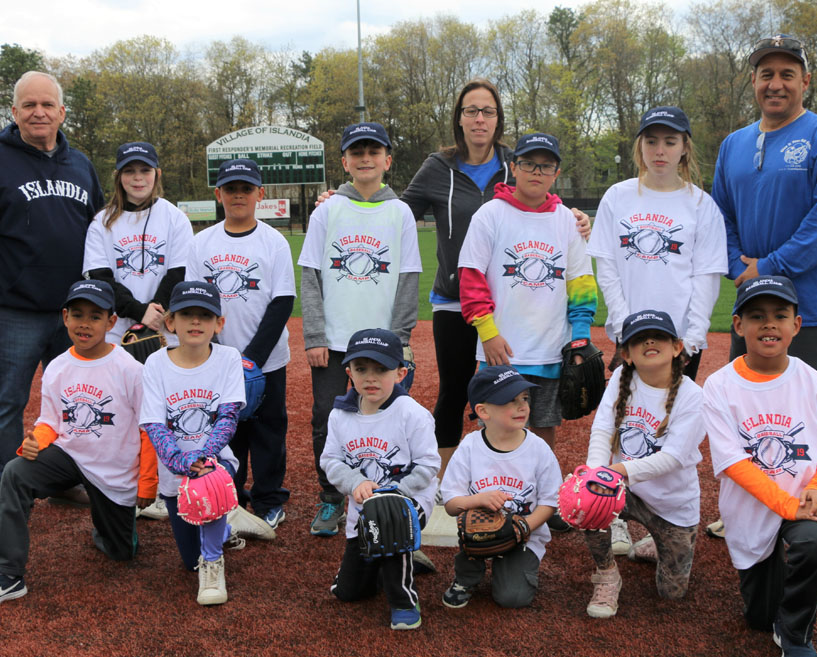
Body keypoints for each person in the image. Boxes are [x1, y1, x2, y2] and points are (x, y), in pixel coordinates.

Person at [398, 79, 591, 477]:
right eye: (471, 110)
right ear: (460, 118)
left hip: (510, 303)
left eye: (488, 111)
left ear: (499, 119)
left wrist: (572, 216)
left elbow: (540, 196)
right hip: (457, 297)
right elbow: (398, 213)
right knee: (454, 390)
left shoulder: (512, 161)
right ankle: (447, 479)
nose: (480, 118)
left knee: (517, 395)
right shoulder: (439, 166)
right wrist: (350, 200)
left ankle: (523, 481)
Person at [710, 34, 817, 546]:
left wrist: (766, 267)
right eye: (766, 74)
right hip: (751, 308)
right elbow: (720, 216)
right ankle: (751, 515)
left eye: (787, 74)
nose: (776, 84)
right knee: (751, 418)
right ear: (753, 81)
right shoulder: (732, 145)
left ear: (805, 81)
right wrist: (736, 266)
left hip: (814, 310)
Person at [0, 71, 105, 533]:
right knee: (6, 402)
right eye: (29, 105)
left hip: (74, 311)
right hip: (13, 309)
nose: (39, 112)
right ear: (14, 112)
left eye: (47, 105)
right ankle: (1, 493)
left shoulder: (80, 165)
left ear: (61, 112)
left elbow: (100, 229)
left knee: (75, 401)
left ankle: (61, 480)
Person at [0, 280, 156, 612]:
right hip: (70, 456)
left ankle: (108, 522)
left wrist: (148, 481)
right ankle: (6, 574)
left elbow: (148, 428)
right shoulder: (58, 367)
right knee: (15, 472)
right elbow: (51, 421)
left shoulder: (131, 370)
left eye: (95, 316)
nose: (84, 323)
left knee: (121, 553)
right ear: (64, 317)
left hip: (114, 473)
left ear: (111, 322)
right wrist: (35, 442)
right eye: (77, 314)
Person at [702, 275, 817, 657]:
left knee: (816, 537)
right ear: (738, 326)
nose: (769, 324)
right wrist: (788, 506)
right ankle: (809, 572)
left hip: (801, 507)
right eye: (756, 316)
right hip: (755, 511)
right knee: (756, 619)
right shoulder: (718, 387)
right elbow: (733, 464)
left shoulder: (816, 385)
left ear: (795, 326)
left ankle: (797, 630)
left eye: (780, 315)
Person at [298, 122, 421, 537]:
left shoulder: (399, 211)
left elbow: (407, 278)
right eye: (357, 151)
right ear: (346, 161)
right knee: (325, 418)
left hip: (384, 345)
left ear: (387, 160)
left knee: (387, 421)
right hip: (333, 342)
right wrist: (314, 336)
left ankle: (388, 494)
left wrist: (401, 339)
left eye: (374, 151)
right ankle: (333, 498)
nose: (366, 158)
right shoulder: (328, 209)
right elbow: (311, 275)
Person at [457, 132, 597, 452]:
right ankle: (493, 492)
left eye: (546, 166)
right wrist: (488, 333)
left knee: (544, 427)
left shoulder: (567, 221)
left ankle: (540, 494)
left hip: (550, 349)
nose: (537, 172)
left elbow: (581, 284)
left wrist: (580, 335)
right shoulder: (490, 215)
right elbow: (471, 277)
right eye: (529, 164)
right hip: (500, 350)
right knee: (495, 429)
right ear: (513, 167)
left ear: (556, 174)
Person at [83, 141, 193, 521]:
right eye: (130, 171)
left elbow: (178, 273)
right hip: (119, 329)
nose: (137, 178)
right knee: (122, 409)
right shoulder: (103, 221)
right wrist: (138, 313)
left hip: (166, 329)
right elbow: (100, 277)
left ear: (156, 174)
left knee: (167, 407)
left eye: (144, 170)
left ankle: (168, 486)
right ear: (119, 177)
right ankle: (125, 485)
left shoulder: (174, 218)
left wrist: (155, 313)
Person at [187, 159, 295, 534]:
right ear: (218, 195)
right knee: (224, 434)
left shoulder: (274, 241)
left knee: (268, 431)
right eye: (230, 189)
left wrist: (251, 360)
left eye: (246, 189)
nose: (238, 195)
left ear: (260, 195)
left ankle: (268, 500)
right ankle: (228, 498)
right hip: (217, 360)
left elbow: (282, 302)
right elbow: (196, 303)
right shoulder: (201, 243)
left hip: (266, 361)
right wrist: (224, 356)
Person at [577, 310, 705, 619]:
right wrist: (596, 473)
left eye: (659, 336)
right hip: (626, 492)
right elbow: (603, 429)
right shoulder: (623, 378)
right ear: (627, 354)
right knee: (588, 499)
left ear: (677, 347)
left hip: (672, 503)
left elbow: (672, 458)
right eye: (639, 338)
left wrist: (617, 471)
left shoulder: (694, 396)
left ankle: (656, 541)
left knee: (672, 594)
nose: (649, 341)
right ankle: (608, 575)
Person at [589, 106, 727, 381]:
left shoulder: (701, 205)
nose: (660, 150)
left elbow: (706, 279)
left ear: (685, 146)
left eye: (670, 141)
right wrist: (623, 330)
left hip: (680, 338)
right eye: (651, 141)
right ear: (640, 146)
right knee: (630, 421)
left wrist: (691, 340)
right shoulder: (617, 197)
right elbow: (608, 271)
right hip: (630, 336)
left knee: (676, 420)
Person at [320, 329, 440, 630]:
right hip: (361, 507)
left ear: (400, 373)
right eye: (361, 369)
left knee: (390, 521)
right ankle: (401, 561)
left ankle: (403, 599)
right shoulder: (339, 415)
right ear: (349, 372)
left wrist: (394, 493)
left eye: (381, 369)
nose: (370, 378)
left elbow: (428, 465)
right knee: (348, 594)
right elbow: (330, 461)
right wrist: (353, 482)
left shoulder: (412, 414)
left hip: (411, 500)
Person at [139, 282, 247, 605]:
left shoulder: (228, 358)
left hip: (215, 464)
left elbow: (228, 418)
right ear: (171, 323)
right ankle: (227, 526)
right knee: (188, 560)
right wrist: (181, 462)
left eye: (205, 315)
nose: (196, 322)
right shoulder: (156, 364)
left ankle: (213, 563)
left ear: (219, 323)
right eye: (187, 315)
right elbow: (155, 426)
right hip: (175, 471)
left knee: (206, 482)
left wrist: (202, 457)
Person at [439, 365, 561, 609]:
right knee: (474, 533)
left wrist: (524, 526)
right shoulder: (470, 447)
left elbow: (550, 502)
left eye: (524, 398)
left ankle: (513, 569)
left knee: (512, 598)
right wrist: (477, 500)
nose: (521, 406)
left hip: (525, 536)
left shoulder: (538, 449)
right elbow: (451, 503)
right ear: (483, 411)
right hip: (477, 536)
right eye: (509, 401)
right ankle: (467, 577)